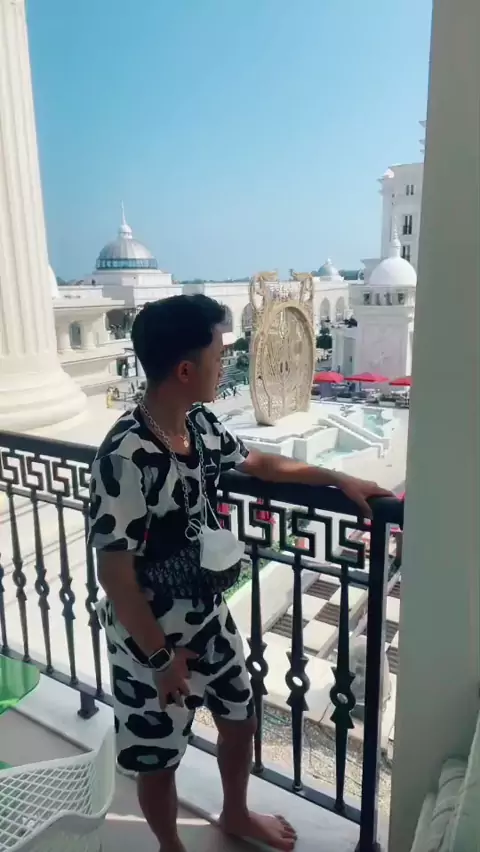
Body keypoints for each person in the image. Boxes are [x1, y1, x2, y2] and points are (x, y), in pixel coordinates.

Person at [88, 295, 391, 852]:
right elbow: (115, 577)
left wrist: (335, 478)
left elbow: (258, 463)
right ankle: (171, 846)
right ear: (186, 370)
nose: (224, 363)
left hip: (205, 617)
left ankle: (235, 813)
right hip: (147, 639)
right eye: (218, 354)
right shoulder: (124, 457)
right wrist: (161, 659)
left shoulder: (198, 423)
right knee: (157, 757)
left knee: (239, 714)